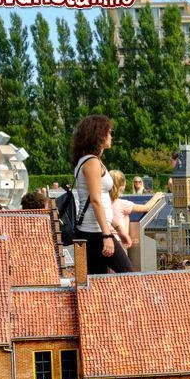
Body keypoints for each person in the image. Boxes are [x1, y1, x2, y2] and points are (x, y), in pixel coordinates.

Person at [71, 115, 134, 274]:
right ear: (99, 135)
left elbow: (102, 202)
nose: (112, 136)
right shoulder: (91, 162)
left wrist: (118, 229)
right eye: (110, 132)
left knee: (98, 284)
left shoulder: (89, 160)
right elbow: (96, 200)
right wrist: (107, 236)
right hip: (95, 233)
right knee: (129, 275)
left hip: (94, 231)